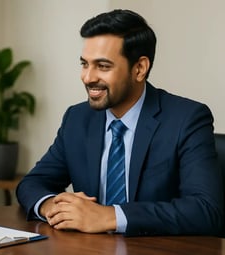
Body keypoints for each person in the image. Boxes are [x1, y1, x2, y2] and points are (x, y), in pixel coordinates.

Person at [16, 9, 224, 236]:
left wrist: (110, 216)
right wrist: (52, 207)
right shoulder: (77, 118)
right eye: (84, 64)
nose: (87, 77)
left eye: (103, 66)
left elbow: (206, 210)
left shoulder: (187, 118)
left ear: (139, 68)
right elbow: (32, 183)